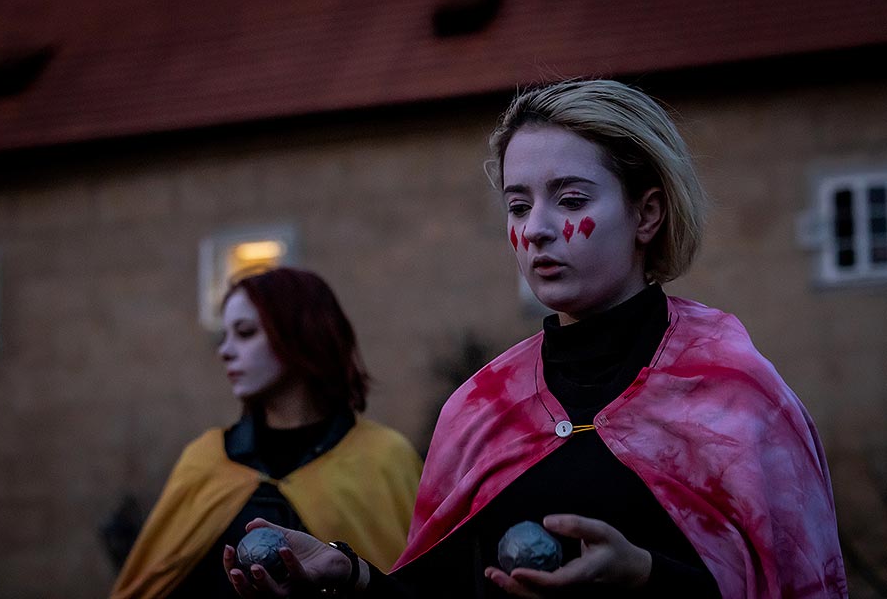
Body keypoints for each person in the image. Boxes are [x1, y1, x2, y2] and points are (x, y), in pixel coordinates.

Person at [224, 80, 847, 598]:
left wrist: (646, 576)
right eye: (519, 206)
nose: (539, 229)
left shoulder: (733, 393)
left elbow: (795, 585)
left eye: (569, 198)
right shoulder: (480, 407)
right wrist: (349, 575)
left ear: (647, 214)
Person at [111, 267, 422, 598]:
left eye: (245, 333)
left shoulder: (386, 457)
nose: (225, 351)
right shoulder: (205, 459)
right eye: (224, 336)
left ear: (302, 333)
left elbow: (424, 587)